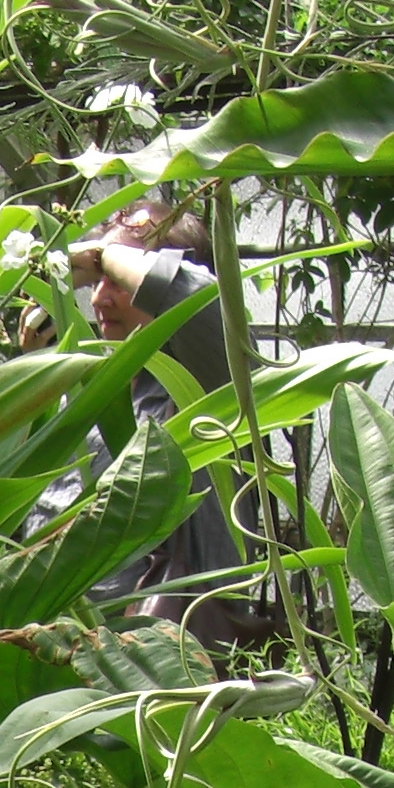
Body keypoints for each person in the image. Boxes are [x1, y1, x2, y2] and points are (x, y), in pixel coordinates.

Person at [64, 197, 260, 648]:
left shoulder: (208, 385)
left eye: (116, 279)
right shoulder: (93, 388)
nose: (98, 297)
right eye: (94, 282)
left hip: (160, 667)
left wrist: (105, 255)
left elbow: (199, 301)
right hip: (66, 660)